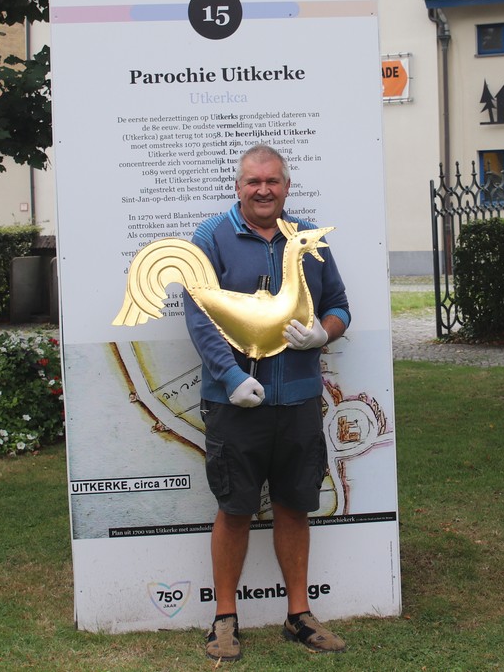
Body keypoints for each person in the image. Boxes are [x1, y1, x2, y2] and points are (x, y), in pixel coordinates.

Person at [184, 144, 350, 662]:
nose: (263, 190)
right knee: (234, 509)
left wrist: (322, 335)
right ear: (238, 186)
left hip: (298, 400)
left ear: (286, 186)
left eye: (273, 182)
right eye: (254, 182)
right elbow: (199, 318)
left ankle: (298, 615)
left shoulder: (307, 238)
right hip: (236, 404)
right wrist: (231, 377)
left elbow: (341, 306)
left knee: (294, 506)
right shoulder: (210, 238)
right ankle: (225, 620)